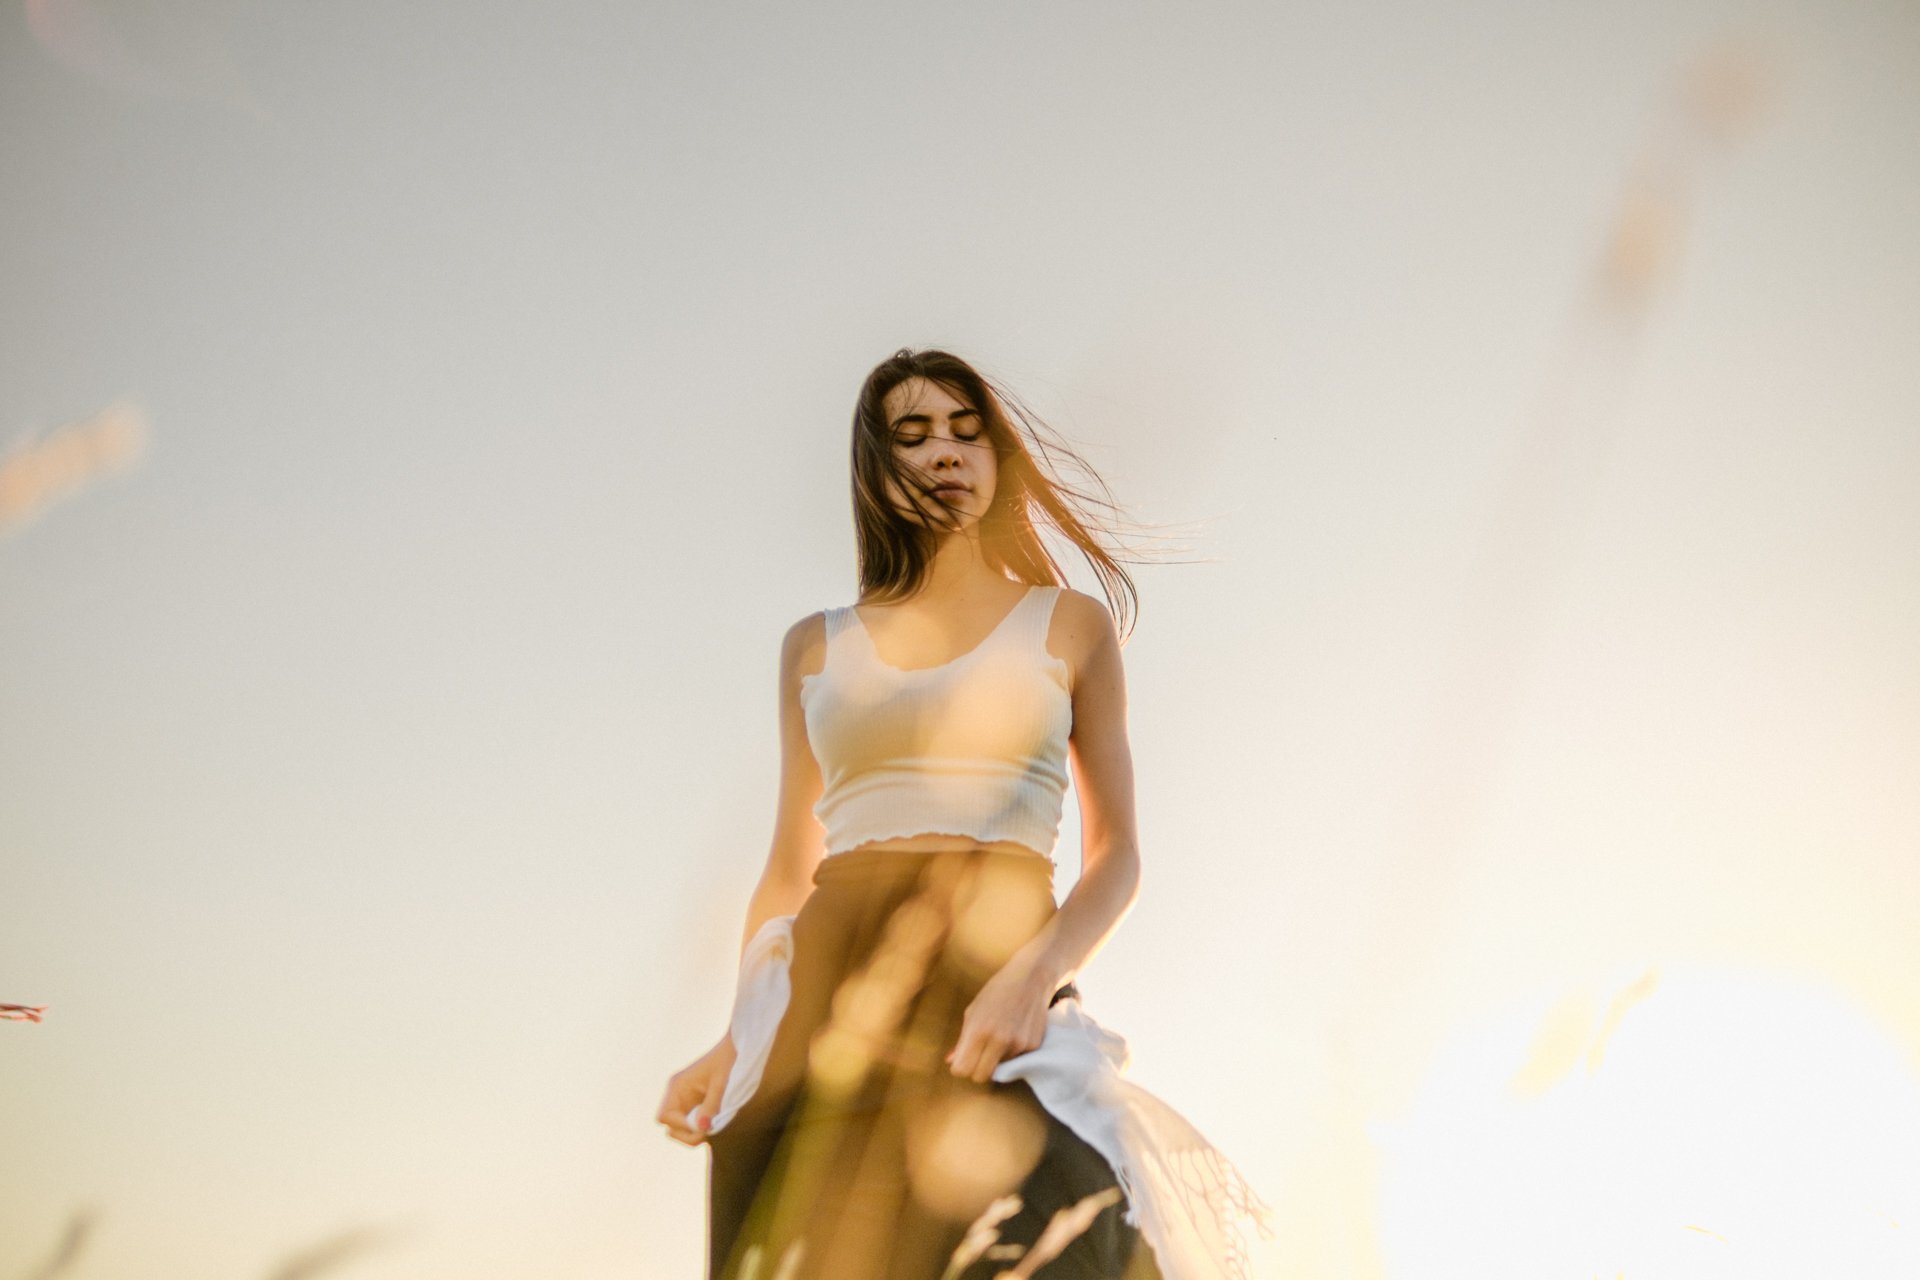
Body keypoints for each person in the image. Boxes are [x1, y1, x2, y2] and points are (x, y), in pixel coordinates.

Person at [657, 349, 1265, 1280]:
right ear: (874, 468)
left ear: (996, 458)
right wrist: (736, 1038)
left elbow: (1118, 857)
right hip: (826, 982)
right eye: (913, 435)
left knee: (1049, 1219)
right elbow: (786, 870)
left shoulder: (1068, 624)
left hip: (998, 958)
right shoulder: (813, 646)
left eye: (965, 431)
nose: (945, 451)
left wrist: (1035, 978)